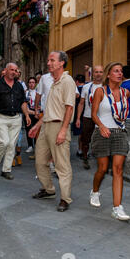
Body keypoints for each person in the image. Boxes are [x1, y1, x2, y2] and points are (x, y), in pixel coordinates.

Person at [29, 51, 76, 212]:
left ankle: (65, 198)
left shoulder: (67, 81)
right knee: (40, 161)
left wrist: (63, 130)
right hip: (47, 125)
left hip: (59, 126)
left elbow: (70, 107)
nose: (48, 63)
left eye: (52, 60)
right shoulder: (52, 81)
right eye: (48, 60)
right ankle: (48, 190)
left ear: (61, 63)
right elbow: (50, 110)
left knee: (62, 164)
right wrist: (37, 126)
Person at [89, 62, 130, 221]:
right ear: (108, 75)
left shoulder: (125, 92)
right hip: (102, 133)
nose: (119, 73)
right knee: (102, 169)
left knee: (118, 170)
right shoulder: (100, 91)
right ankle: (95, 191)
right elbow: (94, 114)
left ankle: (117, 207)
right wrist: (101, 126)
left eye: (121, 71)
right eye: (116, 71)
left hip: (120, 133)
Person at [0, 63, 31, 180]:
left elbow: (23, 102)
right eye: (11, 70)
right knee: (4, 142)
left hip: (16, 118)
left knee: (12, 144)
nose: (13, 72)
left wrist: (27, 115)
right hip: (1, 117)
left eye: (15, 70)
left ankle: (6, 170)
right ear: (5, 71)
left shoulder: (19, 86)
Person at [76, 65, 104, 169]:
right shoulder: (86, 87)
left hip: (102, 117)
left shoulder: (106, 87)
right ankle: (85, 158)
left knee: (103, 139)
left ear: (103, 73)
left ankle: (102, 161)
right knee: (85, 139)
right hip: (88, 117)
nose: (98, 74)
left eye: (100, 72)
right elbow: (81, 103)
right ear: (92, 74)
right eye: (96, 72)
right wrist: (78, 118)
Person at [25, 77, 39, 154]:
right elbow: (24, 104)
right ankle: (30, 145)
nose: (31, 84)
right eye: (30, 82)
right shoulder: (26, 92)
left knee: (36, 128)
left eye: (33, 82)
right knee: (28, 128)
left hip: (36, 112)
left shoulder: (38, 92)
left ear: (35, 83)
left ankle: (36, 145)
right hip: (28, 112)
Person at [73, 74, 85, 158]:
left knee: (81, 133)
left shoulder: (75, 90)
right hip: (87, 113)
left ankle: (80, 150)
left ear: (76, 81)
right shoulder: (88, 88)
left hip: (78, 113)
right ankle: (84, 150)